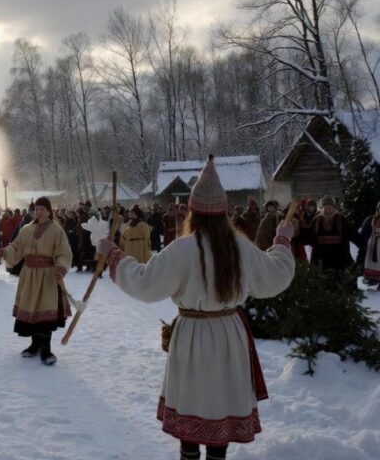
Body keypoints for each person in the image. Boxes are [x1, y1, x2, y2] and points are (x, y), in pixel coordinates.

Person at [98, 156, 296, 460]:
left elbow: (145, 283)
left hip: (192, 337)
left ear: (193, 212)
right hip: (229, 335)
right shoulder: (240, 246)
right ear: (224, 212)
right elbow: (275, 275)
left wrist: (114, 254)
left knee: (191, 411)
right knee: (220, 407)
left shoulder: (183, 248)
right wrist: (282, 240)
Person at [0, 197, 72, 365]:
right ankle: (35, 345)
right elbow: (16, 247)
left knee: (45, 311)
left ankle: (46, 349)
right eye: (37, 209)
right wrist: (3, 252)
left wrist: (61, 267)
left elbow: (64, 252)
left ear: (49, 211)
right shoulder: (26, 229)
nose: (39, 212)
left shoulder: (56, 230)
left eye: (42, 209)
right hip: (29, 276)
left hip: (48, 276)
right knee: (32, 310)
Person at [306, 195, 361, 284]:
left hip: (339, 260)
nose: (327, 209)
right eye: (325, 206)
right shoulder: (316, 221)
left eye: (330, 206)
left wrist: (363, 245)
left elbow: (353, 234)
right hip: (321, 261)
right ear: (322, 208)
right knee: (321, 285)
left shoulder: (341, 220)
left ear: (334, 207)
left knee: (339, 284)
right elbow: (308, 237)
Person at [359, 202, 380, 288]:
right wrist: (362, 245)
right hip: (373, 244)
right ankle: (372, 278)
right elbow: (364, 234)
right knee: (371, 262)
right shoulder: (371, 219)